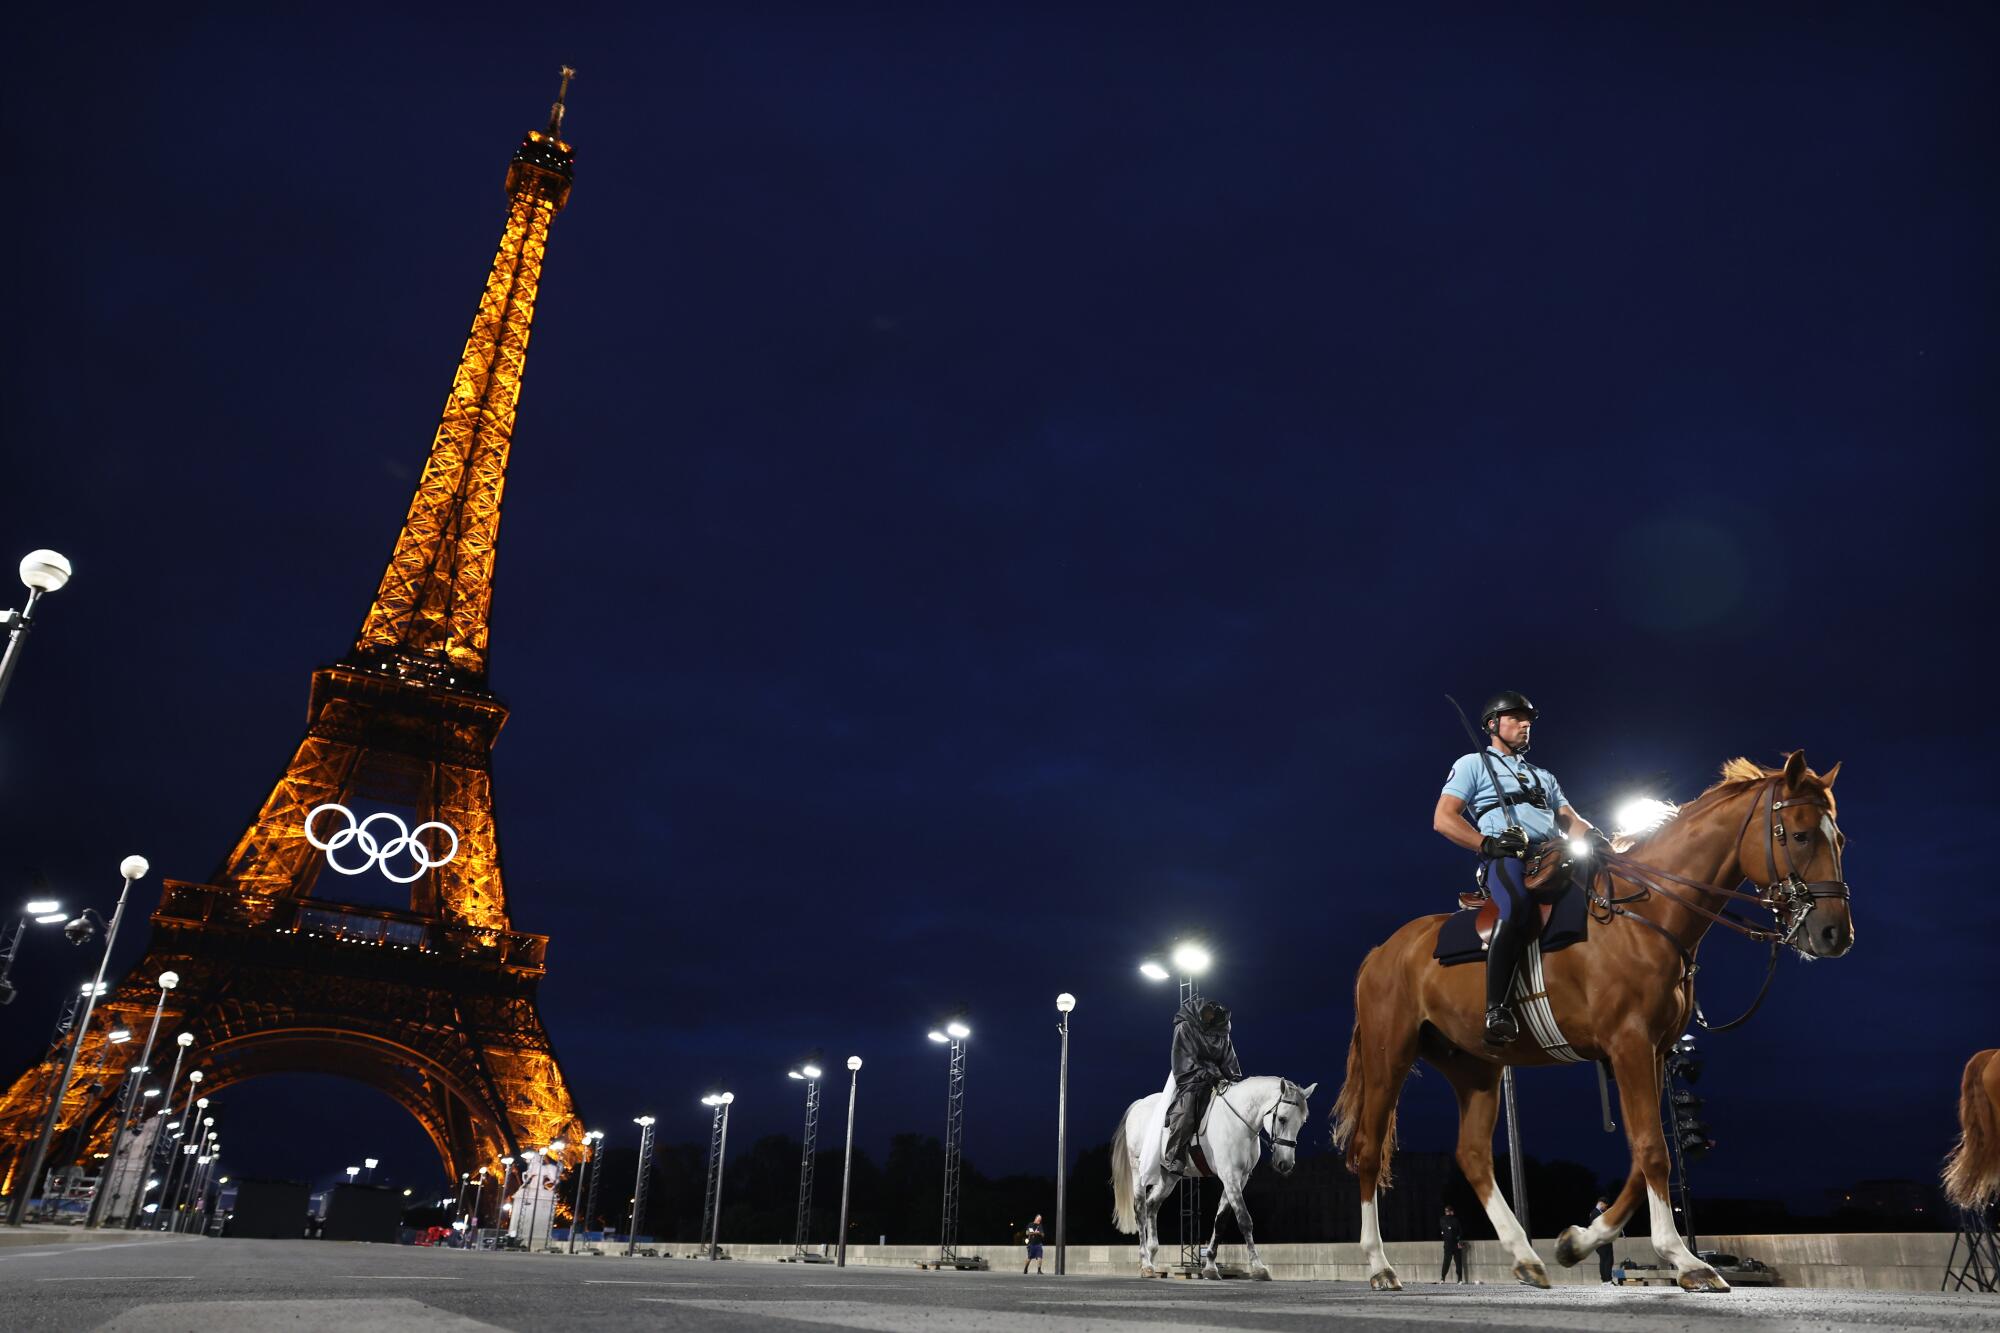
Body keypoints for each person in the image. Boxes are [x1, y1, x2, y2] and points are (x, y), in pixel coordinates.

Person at [1434, 690, 1600, 1048]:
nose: (1525, 725)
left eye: (1528, 720)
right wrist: (1486, 844)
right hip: (1508, 858)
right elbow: (1443, 818)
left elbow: (1569, 818)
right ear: (1493, 725)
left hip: (1557, 853)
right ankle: (1497, 1009)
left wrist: (1596, 837)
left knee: (1604, 896)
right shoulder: (1472, 764)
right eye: (1515, 718)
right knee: (1516, 905)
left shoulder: (1543, 776)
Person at [1162, 997, 1242, 1177]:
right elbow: (1185, 1058)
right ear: (1199, 1012)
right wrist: (1205, 1076)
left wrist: (1234, 1079)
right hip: (1192, 1077)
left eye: (1214, 1014)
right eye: (1207, 1013)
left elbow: (1229, 1059)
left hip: (1218, 1078)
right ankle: (1174, 1156)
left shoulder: (1221, 1032)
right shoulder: (1185, 1028)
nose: (1211, 1017)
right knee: (1186, 1110)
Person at [1439, 1204, 1466, 1283]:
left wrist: (1444, 1234)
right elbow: (1460, 1232)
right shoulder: (1454, 1220)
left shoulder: (1442, 1219)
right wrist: (1458, 1239)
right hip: (1454, 1244)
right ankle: (1459, 1279)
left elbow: (1443, 1231)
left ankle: (1443, 1278)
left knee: (1448, 1262)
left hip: (1449, 1244)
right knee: (1457, 1262)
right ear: (1451, 1212)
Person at [1591, 1196, 1615, 1282]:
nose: (1605, 1208)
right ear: (1601, 1203)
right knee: (1608, 1260)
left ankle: (1605, 1280)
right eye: (1605, 1206)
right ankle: (1607, 1280)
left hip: (1600, 1241)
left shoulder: (1595, 1213)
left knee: (1603, 1260)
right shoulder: (1596, 1213)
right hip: (1602, 1241)